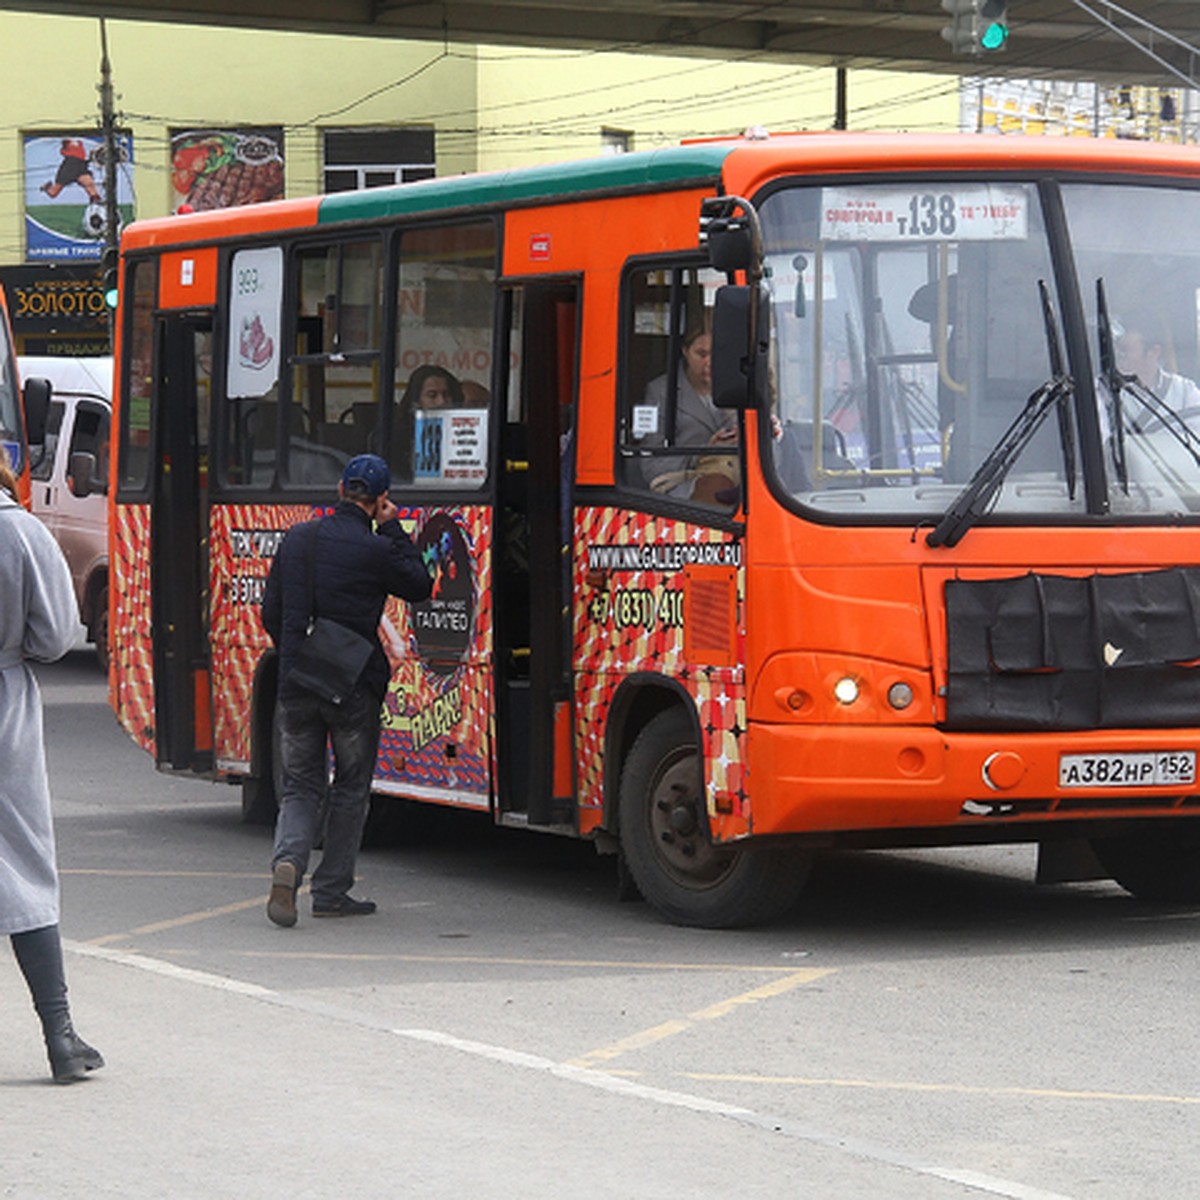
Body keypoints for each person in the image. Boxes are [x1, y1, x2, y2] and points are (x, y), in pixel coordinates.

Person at [261, 453, 432, 926]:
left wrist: (297, 652)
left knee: (300, 785)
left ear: (339, 490)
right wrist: (394, 529)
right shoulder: (376, 550)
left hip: (296, 681)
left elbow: (270, 612)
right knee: (350, 788)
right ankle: (333, 890)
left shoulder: (298, 539)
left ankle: (288, 864)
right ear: (378, 500)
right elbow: (420, 584)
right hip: (352, 685)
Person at [0, 445, 104, 1083]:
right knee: (25, 862)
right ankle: (60, 1034)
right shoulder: (20, 531)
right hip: (5, 706)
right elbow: (59, 634)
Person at [635, 321, 738, 502]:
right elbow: (650, 463)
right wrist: (705, 451)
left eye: (716, 355)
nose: (709, 362)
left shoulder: (737, 388)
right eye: (702, 354)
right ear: (685, 351)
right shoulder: (661, 391)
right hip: (687, 484)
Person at [391, 365, 464, 479]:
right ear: (416, 401)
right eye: (432, 395)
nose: (441, 402)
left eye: (446, 395)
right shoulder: (396, 437)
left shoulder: (465, 431)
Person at [1115, 324, 1200, 419]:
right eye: (1119, 350)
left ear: (1154, 352)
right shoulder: (1108, 391)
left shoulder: (1184, 390)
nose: (1120, 355)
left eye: (1126, 350)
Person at [39, 138, 102, 204]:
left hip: (80, 163)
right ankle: (47, 187)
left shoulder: (79, 141)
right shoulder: (67, 141)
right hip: (70, 165)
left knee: (88, 182)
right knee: (53, 193)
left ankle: (95, 198)